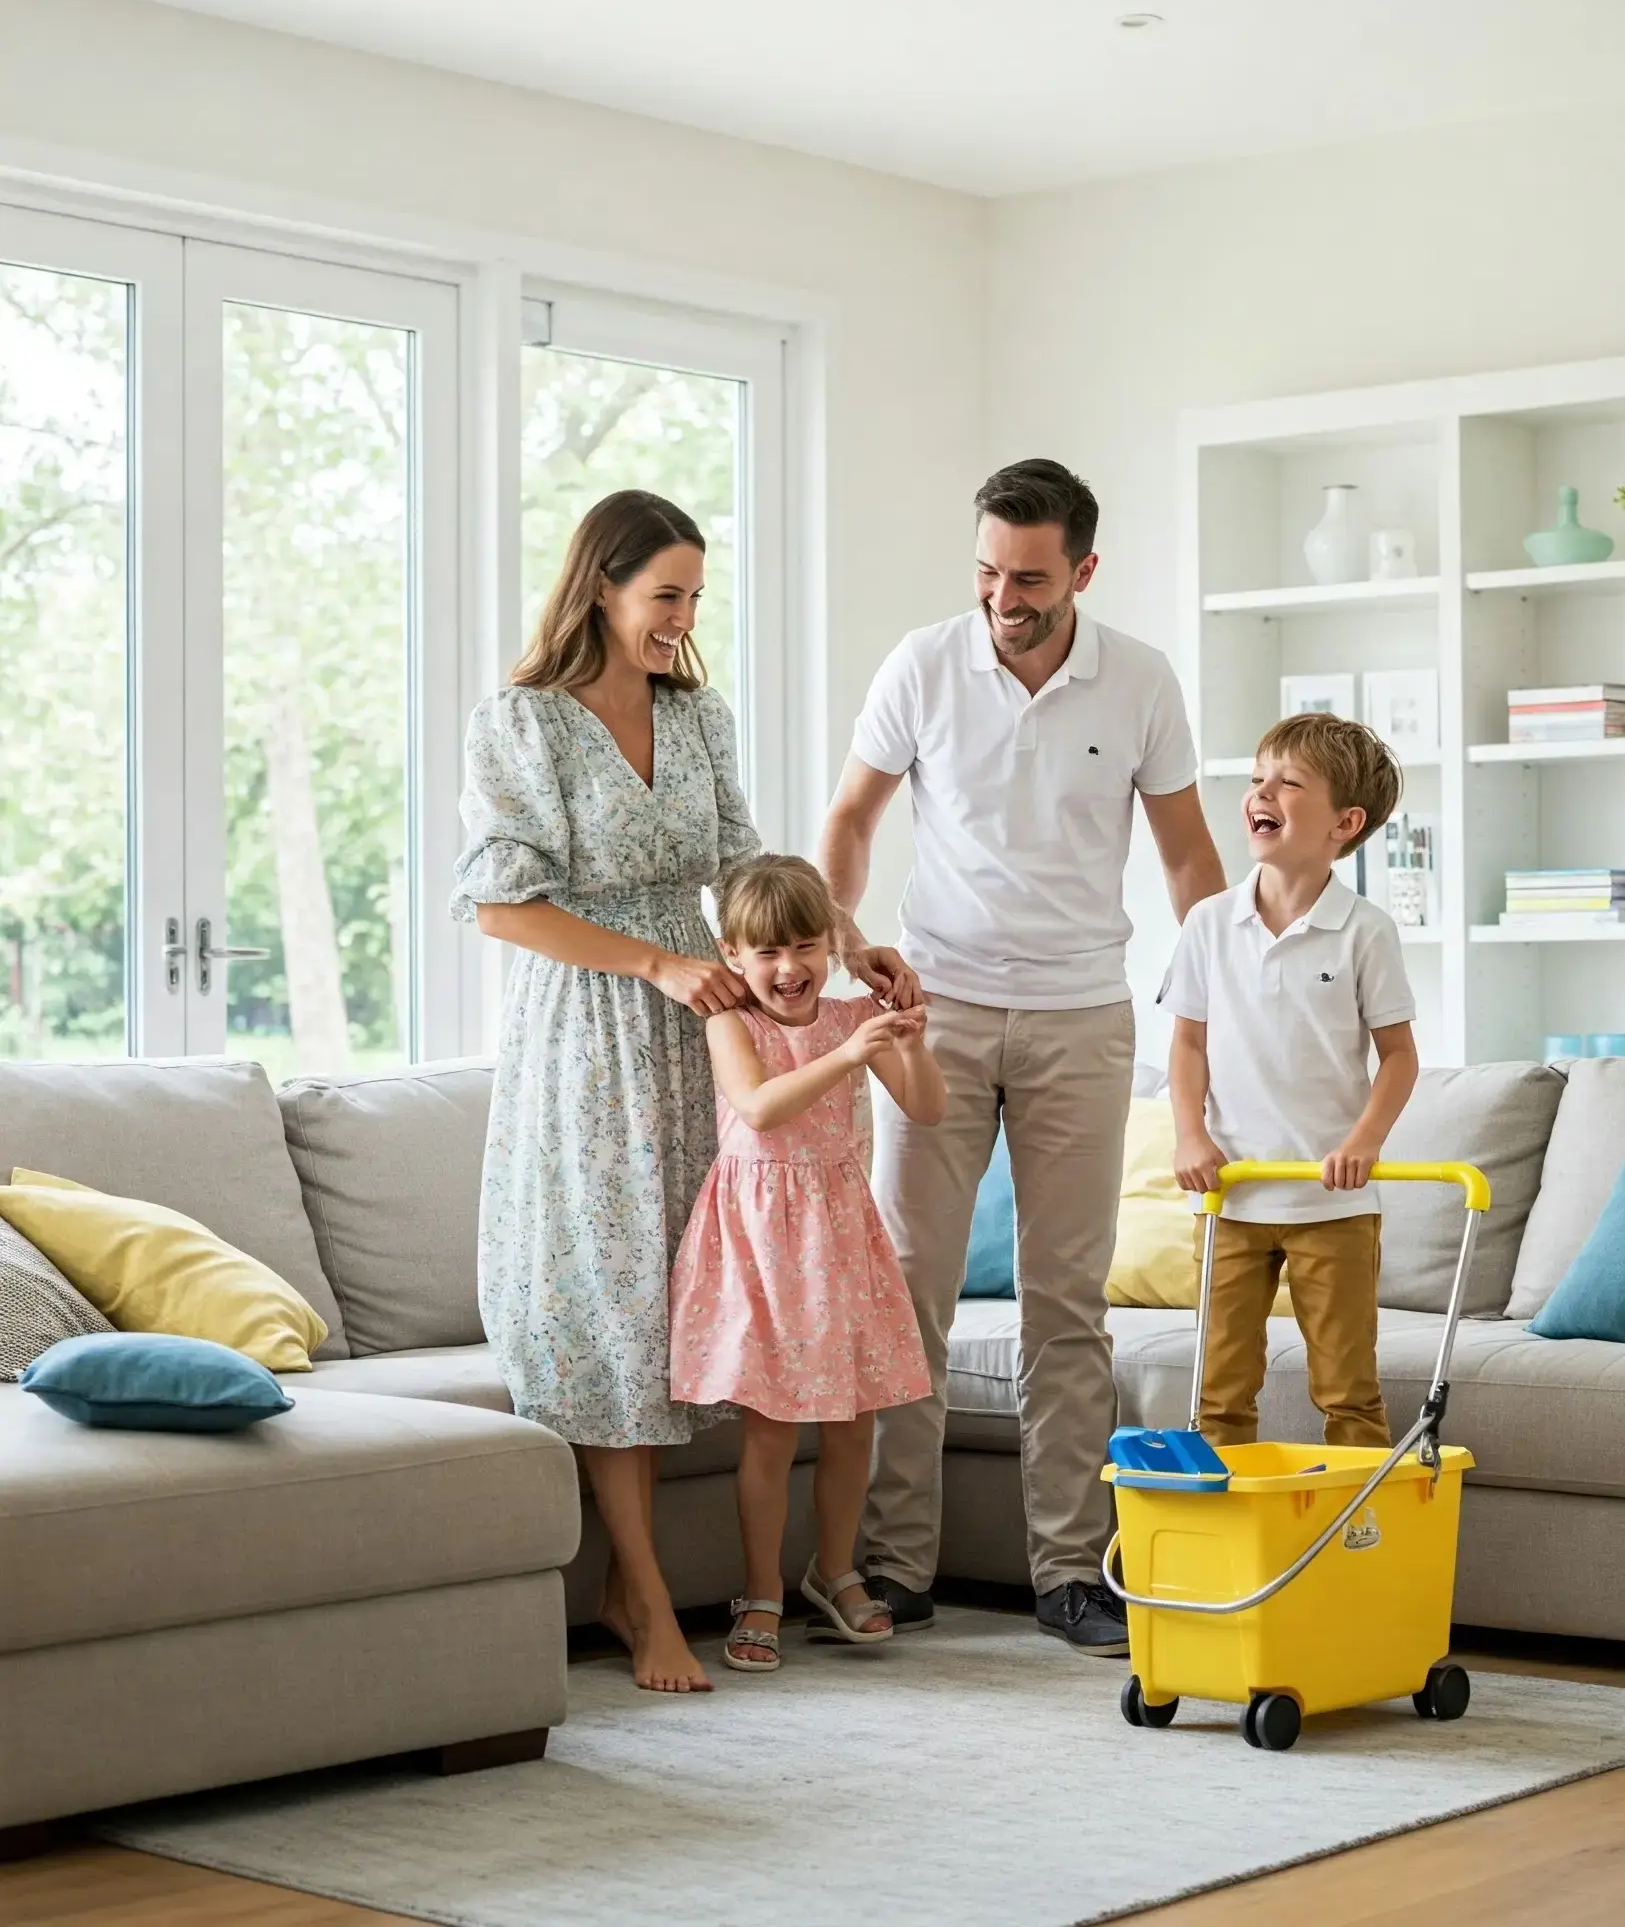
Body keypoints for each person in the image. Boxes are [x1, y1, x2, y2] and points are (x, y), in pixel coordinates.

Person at [452, 490, 914, 1695]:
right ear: (598, 586)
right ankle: (642, 1588)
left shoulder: (695, 712)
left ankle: (637, 1580)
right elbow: (500, 902)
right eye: (666, 595)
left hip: (710, 1024)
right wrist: (658, 960)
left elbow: (748, 869)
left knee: (679, 1286)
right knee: (613, 1293)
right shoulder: (525, 721)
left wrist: (848, 943)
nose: (682, 618)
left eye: (695, 596)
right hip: (596, 1028)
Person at [819, 457, 1226, 1656]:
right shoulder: (922, 663)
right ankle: (894, 1565)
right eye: (989, 570)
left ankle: (1067, 1569)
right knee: (908, 1295)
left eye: (1031, 577)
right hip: (932, 1013)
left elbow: (1187, 855)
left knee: (1064, 1302)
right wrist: (848, 939)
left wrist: (1209, 1001)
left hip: (1080, 1019)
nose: (1004, 594)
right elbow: (850, 816)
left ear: (1083, 572)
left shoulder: (1139, 680)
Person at [668, 855, 942, 1673]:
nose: (788, 970)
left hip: (840, 1233)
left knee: (854, 1420)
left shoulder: (856, 1014)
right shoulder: (732, 1020)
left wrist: (912, 1040)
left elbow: (927, 1108)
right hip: (761, 1241)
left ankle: (835, 1570)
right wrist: (851, 1053)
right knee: (773, 1428)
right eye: (766, 953)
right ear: (733, 955)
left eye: (805, 948)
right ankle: (760, 1592)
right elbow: (758, 1108)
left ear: (831, 944)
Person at [1163, 712, 1420, 1450]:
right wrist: (1189, 1133)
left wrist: (1363, 1141)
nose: (1260, 793)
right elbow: (1186, 1043)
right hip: (1230, 1195)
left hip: (1332, 1204)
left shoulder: (1365, 929)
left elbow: (1400, 1056)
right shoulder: (1208, 924)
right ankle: (1230, 1552)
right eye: (1256, 779)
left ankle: (1361, 1545)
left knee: (1347, 1391)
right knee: (1217, 1392)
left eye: (1287, 782)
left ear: (1345, 821)